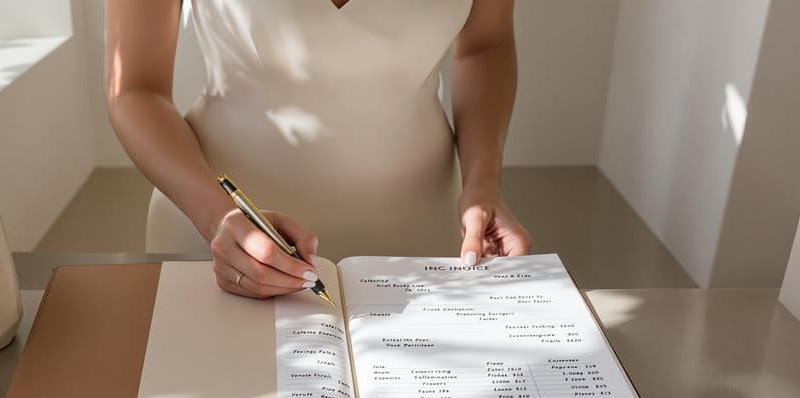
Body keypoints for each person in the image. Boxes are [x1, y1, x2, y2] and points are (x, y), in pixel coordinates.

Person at [106, 0, 531, 299]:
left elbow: (485, 46)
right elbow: (135, 90)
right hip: (222, 237)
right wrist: (216, 217)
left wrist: (483, 183)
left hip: (428, 233)